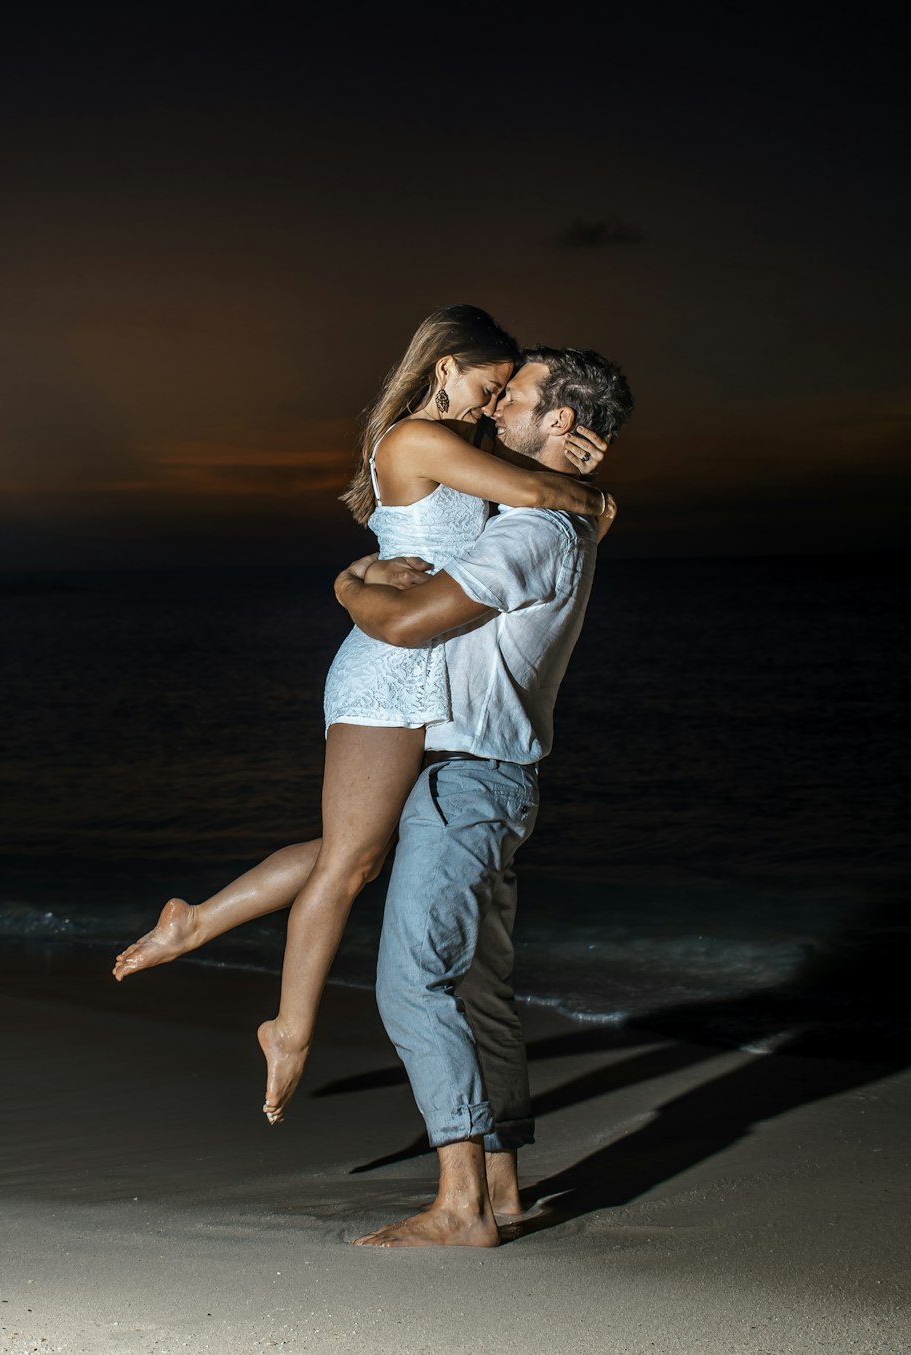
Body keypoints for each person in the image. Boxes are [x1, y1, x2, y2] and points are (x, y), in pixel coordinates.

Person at [112, 307, 615, 1125]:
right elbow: (533, 492)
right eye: (490, 386)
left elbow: (513, 507)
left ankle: (197, 917)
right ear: (446, 366)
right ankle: (291, 1027)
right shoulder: (416, 439)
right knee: (350, 863)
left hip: (416, 668)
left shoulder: (453, 445)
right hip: (388, 665)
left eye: (503, 395)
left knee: (359, 850)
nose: (493, 406)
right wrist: (592, 495)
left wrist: (366, 574)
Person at [330, 346, 634, 1247]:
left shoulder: (533, 532)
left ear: (563, 424)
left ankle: (460, 1204)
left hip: (465, 778)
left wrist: (348, 582)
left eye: (521, 399)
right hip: (494, 779)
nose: (499, 410)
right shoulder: (547, 520)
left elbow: (409, 621)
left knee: (412, 982)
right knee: (478, 991)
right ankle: (501, 1187)